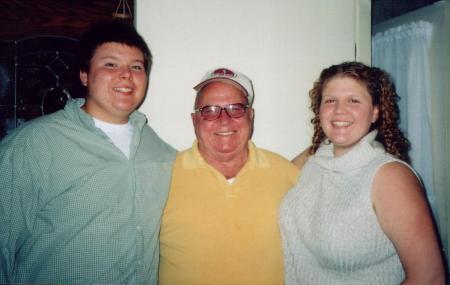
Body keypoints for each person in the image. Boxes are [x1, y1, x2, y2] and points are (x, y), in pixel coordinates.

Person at [0, 20, 176, 284]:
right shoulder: (32, 145)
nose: (126, 75)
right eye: (111, 64)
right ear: (84, 75)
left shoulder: (160, 152)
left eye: (136, 67)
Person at [279, 61, 445, 284]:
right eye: (330, 100)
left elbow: (430, 278)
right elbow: (269, 183)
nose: (339, 110)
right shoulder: (315, 158)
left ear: (375, 112)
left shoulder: (390, 176)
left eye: (353, 100)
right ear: (319, 109)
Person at [158, 67, 299, 285]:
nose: (224, 120)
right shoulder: (162, 177)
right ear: (195, 120)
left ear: (250, 116)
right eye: (210, 110)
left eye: (236, 108)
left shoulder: (286, 174)